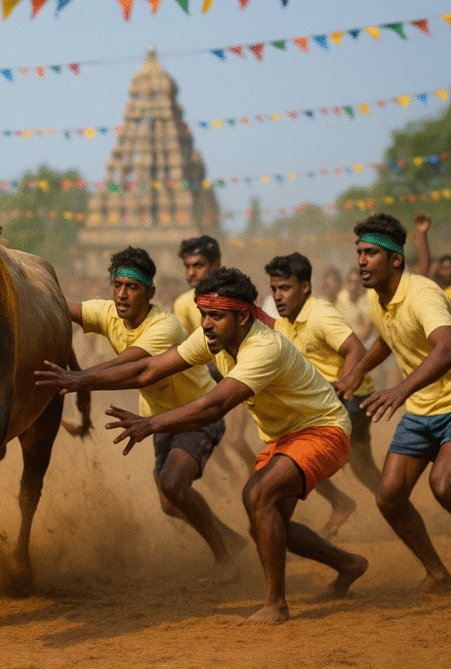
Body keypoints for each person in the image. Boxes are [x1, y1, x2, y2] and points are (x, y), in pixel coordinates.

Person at [38, 267, 368, 625]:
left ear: (243, 317)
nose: (206, 324)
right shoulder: (212, 338)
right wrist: (80, 378)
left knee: (257, 496)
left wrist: (150, 423)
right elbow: (149, 369)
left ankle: (276, 604)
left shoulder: (264, 348)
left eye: (216, 316)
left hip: (323, 430)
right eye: (204, 314)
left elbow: (214, 406)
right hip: (284, 438)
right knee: (267, 526)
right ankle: (348, 564)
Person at [336, 213, 451, 600]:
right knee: (389, 497)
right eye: (359, 252)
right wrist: (355, 372)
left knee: (444, 486)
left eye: (371, 253)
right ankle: (438, 574)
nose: (361, 260)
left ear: (395, 259)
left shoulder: (423, 293)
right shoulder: (378, 297)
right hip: (422, 408)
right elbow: (387, 337)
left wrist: (399, 391)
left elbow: (446, 351)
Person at [73, 247, 243, 572]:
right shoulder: (106, 312)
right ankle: (231, 540)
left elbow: (136, 369)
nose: (122, 294)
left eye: (132, 287)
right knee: (169, 503)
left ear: (150, 292)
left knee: (173, 485)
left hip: (198, 413)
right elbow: (57, 305)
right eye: (117, 285)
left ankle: (225, 557)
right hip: (160, 420)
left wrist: (79, 378)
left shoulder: (164, 326)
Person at [266, 253, 382, 539]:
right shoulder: (284, 323)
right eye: (274, 289)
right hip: (328, 403)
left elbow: (356, 349)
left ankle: (354, 503)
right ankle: (389, 500)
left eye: (285, 288)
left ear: (305, 286)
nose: (278, 296)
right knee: (359, 465)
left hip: (352, 399)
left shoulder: (320, 314)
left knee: (301, 454)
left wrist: (339, 389)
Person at [173, 235, 258, 473]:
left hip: (240, 376)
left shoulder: (234, 296)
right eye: (187, 266)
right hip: (207, 381)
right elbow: (184, 350)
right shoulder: (182, 304)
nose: (191, 272)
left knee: (235, 439)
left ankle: (260, 474)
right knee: (209, 442)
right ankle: (232, 478)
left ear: (216, 264)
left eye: (198, 265)